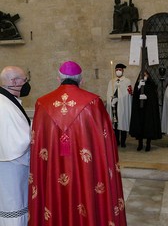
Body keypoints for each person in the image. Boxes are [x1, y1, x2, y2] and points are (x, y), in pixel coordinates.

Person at [28, 61, 127, 226]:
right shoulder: (94, 103)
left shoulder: (42, 103)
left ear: (58, 79)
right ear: (81, 81)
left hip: (53, 167)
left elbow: (37, 141)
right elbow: (106, 140)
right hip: (84, 170)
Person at [0, 66, 31, 226]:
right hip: (11, 168)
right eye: (24, 80)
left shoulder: (6, 100)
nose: (26, 84)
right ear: (13, 82)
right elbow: (20, 141)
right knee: (13, 205)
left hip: (9, 166)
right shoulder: (4, 106)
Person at [129, 70, 162, 151]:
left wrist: (147, 97)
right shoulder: (138, 84)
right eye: (141, 75)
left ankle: (148, 144)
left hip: (148, 110)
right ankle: (140, 143)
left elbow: (154, 97)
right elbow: (135, 96)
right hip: (140, 110)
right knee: (140, 126)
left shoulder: (151, 84)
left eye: (145, 74)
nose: (143, 76)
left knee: (148, 127)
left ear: (148, 75)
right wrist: (139, 87)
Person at [106, 63, 132, 148]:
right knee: (115, 122)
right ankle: (116, 140)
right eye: (117, 70)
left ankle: (123, 141)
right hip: (114, 105)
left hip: (123, 105)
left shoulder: (127, 81)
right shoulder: (111, 81)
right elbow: (109, 93)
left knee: (123, 121)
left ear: (123, 71)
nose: (118, 71)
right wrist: (111, 100)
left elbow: (129, 93)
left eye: (120, 70)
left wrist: (120, 89)